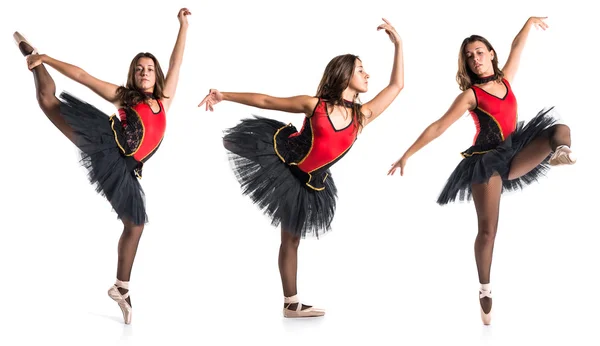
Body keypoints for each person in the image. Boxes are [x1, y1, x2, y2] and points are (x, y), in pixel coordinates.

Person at [199, 18, 404, 318]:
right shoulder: (315, 105)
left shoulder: (363, 116)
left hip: (309, 183)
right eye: (360, 69)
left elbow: (397, 85)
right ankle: (291, 302)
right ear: (344, 75)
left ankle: (290, 304)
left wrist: (398, 45)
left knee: (291, 239)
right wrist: (224, 95)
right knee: (239, 149)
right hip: (284, 161)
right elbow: (268, 100)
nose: (366, 73)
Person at [388, 16, 576, 325]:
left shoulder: (506, 80)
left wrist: (528, 23)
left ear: (490, 53)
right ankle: (485, 290)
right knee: (488, 230)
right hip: (486, 161)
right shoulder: (471, 96)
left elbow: (517, 47)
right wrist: (407, 154)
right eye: (469, 56)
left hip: (515, 152)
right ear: (467, 63)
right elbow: (438, 126)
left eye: (479, 52)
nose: (475, 59)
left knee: (561, 129)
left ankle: (560, 153)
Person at [13, 7, 192, 324]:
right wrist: (47, 59)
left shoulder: (165, 100)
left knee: (135, 224)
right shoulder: (126, 97)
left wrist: (184, 25)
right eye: (139, 68)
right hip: (107, 143)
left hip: (126, 169)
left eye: (149, 68)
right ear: (133, 75)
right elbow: (83, 76)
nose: (144, 72)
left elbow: (177, 61)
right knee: (48, 101)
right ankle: (33, 58)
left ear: (157, 74)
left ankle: (121, 287)